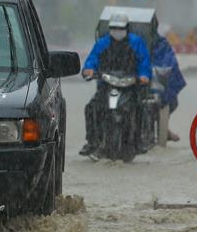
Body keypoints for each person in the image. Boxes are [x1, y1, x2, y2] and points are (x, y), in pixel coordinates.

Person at [79, 12, 151, 156]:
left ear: (127, 28)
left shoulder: (136, 42)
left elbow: (144, 61)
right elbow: (93, 59)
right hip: (106, 85)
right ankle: (92, 141)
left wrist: (144, 76)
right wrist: (89, 70)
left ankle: (138, 141)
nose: (117, 31)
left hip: (130, 86)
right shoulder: (102, 43)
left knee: (139, 107)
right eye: (114, 28)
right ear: (110, 28)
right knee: (91, 108)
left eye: (121, 28)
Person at [150, 22, 187, 141]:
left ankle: (163, 129)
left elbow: (169, 63)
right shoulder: (107, 42)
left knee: (167, 100)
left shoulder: (161, 44)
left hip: (151, 82)